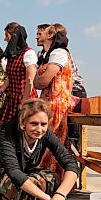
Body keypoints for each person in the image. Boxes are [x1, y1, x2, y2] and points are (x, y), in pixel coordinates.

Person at [0, 22, 38, 156]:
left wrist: (24, 101)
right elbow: (9, 77)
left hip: (24, 100)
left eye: (6, 35)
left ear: (13, 36)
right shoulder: (13, 55)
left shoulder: (28, 54)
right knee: (3, 131)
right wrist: (1, 90)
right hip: (11, 99)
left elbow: (30, 79)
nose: (4, 39)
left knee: (22, 133)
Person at [34, 24, 75, 178]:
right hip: (48, 101)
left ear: (51, 35)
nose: (38, 35)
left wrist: (37, 80)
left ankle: (52, 177)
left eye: (42, 32)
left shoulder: (59, 53)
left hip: (56, 102)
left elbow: (42, 81)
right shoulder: (49, 54)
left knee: (52, 141)